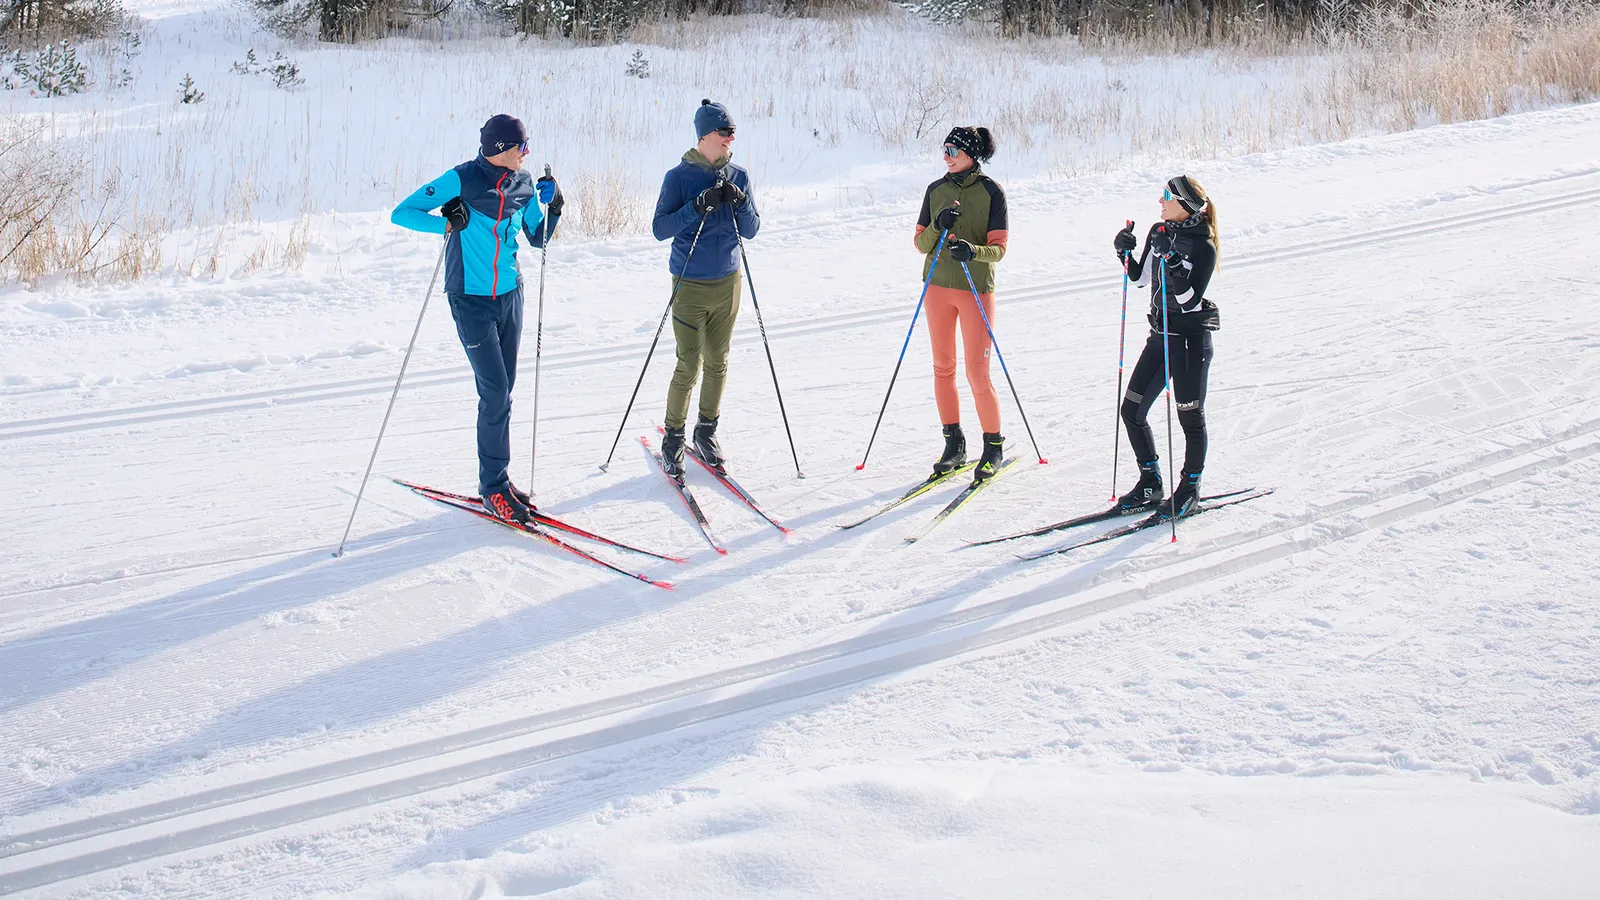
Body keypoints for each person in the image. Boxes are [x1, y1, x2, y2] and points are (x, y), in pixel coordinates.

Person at [391, 114, 563, 523]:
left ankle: (499, 480)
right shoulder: (462, 179)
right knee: (494, 392)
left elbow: (538, 238)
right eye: (522, 147)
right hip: (470, 299)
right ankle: (492, 487)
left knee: (504, 393)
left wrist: (553, 204)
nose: (527, 153)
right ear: (502, 149)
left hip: (511, 294)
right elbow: (403, 212)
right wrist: (447, 222)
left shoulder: (522, 184)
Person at [651, 98, 761, 479]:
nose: (732, 138)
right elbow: (659, 229)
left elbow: (751, 229)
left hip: (728, 282)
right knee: (689, 362)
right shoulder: (678, 178)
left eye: (733, 132)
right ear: (706, 136)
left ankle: (706, 431)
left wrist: (741, 202)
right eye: (725, 132)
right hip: (690, 283)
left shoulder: (739, 175)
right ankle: (673, 437)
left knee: (718, 360)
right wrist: (696, 206)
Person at [1111, 175, 1220, 518]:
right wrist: (1123, 252)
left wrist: (1172, 259)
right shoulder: (1159, 232)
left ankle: (1190, 486)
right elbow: (1140, 278)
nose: (1160, 202)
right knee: (1131, 410)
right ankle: (1150, 481)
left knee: (1190, 419)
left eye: (1166, 196)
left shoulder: (1204, 246)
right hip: (1160, 339)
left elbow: (1189, 301)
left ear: (1184, 204)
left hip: (1189, 342)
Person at [913, 126, 1010, 483]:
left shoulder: (991, 192)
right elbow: (921, 244)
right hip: (937, 286)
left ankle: (993, 445)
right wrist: (939, 226)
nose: (946, 155)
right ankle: (954, 444)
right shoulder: (935, 190)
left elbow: (998, 249)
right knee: (942, 367)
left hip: (974, 290)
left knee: (977, 373)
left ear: (971, 154)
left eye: (953, 149)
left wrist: (973, 251)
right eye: (944, 148)